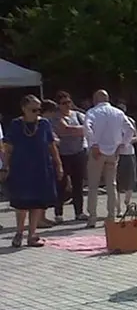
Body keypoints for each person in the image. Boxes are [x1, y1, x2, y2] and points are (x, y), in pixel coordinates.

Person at [3, 95, 64, 248]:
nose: (37, 112)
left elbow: (51, 146)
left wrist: (58, 164)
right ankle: (19, 233)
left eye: (39, 109)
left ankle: (32, 235)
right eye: (33, 109)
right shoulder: (16, 124)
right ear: (24, 109)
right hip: (21, 168)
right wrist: (5, 166)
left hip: (41, 167)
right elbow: (8, 148)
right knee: (21, 203)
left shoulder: (44, 124)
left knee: (37, 203)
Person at [84, 90, 136, 228]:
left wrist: (94, 143)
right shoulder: (118, 112)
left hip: (97, 151)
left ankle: (93, 217)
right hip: (113, 151)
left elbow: (87, 128)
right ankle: (111, 216)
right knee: (111, 185)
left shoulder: (92, 112)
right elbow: (130, 129)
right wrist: (122, 144)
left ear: (95, 99)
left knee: (93, 186)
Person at [52, 91, 88, 222]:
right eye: (63, 103)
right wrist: (77, 130)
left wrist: (71, 129)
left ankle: (79, 212)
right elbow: (62, 130)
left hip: (78, 153)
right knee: (61, 184)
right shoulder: (55, 118)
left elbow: (88, 128)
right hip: (62, 154)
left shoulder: (78, 115)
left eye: (68, 102)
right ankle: (58, 213)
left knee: (78, 184)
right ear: (58, 105)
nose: (67, 105)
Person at [116, 102, 137, 215]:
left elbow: (136, 137)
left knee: (130, 180)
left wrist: (125, 142)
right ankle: (118, 208)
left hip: (129, 153)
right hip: (116, 154)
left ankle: (127, 202)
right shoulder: (112, 122)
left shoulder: (130, 120)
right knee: (117, 181)